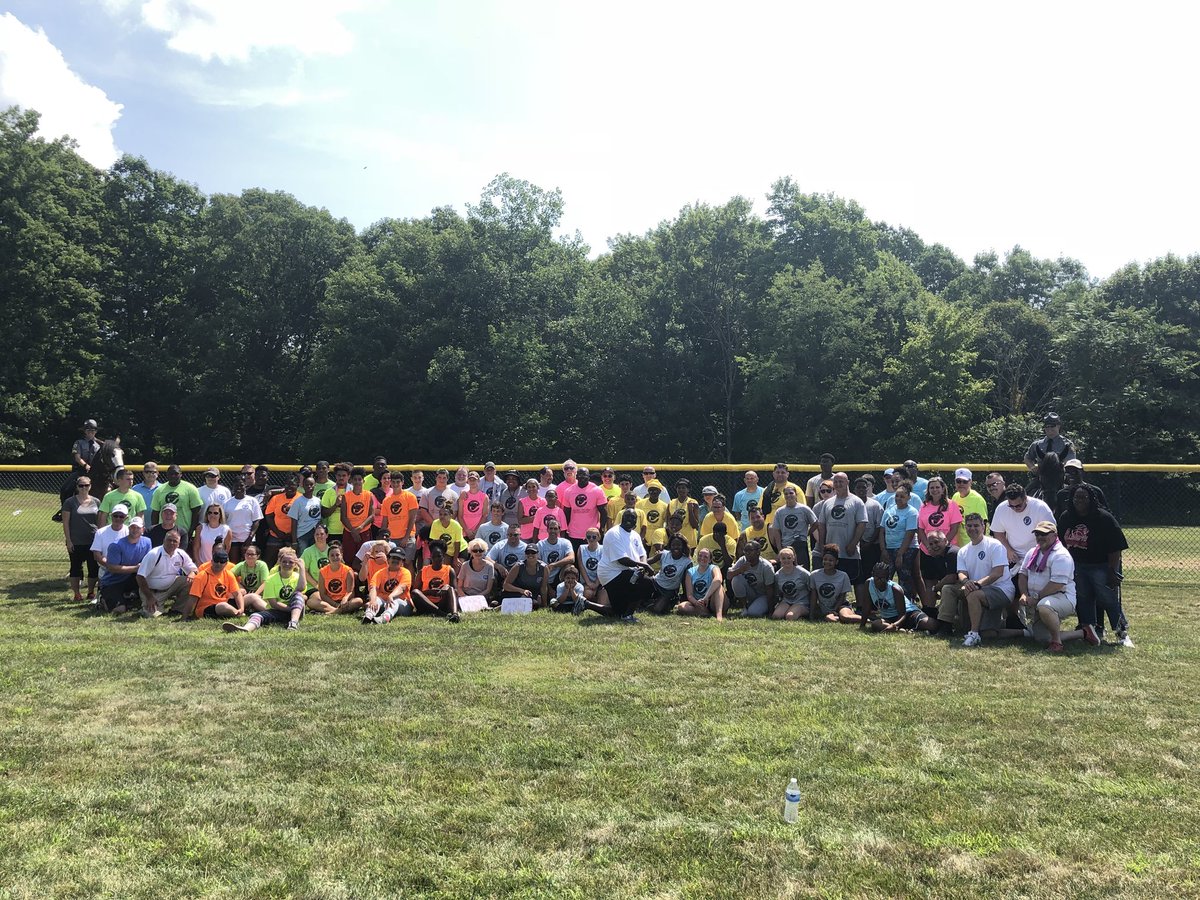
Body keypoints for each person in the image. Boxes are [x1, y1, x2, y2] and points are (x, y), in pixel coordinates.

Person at [1058, 484, 1132, 647]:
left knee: (1108, 599)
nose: (1079, 500)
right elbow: (1060, 544)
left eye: (1084, 497)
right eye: (1076, 497)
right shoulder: (1066, 517)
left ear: (1091, 499)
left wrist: (1112, 571)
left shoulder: (1103, 518)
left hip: (1101, 566)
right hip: (1077, 566)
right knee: (1083, 599)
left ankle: (1122, 633)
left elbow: (1115, 547)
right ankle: (1090, 631)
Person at [935, 513, 1015, 643]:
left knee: (974, 599)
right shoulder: (963, 550)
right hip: (975, 589)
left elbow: (998, 573)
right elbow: (961, 572)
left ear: (984, 526)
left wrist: (977, 584)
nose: (973, 528)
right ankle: (945, 626)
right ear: (965, 527)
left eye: (976, 525)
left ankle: (974, 633)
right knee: (948, 589)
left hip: (1000, 590)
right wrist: (966, 581)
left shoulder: (995, 545)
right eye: (969, 526)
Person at [1016, 521, 1087, 651]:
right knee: (1041, 638)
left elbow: (1057, 584)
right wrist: (1024, 594)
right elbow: (1023, 574)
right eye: (1037, 534)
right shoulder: (1032, 552)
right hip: (1039, 599)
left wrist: (1036, 598)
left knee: (1044, 606)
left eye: (1044, 534)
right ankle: (1083, 633)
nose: (1040, 537)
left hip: (1063, 597)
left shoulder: (1061, 555)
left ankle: (1057, 643)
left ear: (1054, 535)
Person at [595, 509, 656, 623]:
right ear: (622, 518)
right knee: (648, 583)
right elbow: (622, 560)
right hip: (612, 573)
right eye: (627, 516)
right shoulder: (614, 533)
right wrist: (644, 566)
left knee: (618, 611)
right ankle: (628, 616)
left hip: (627, 572)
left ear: (636, 522)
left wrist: (643, 565)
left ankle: (585, 603)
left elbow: (642, 554)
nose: (629, 520)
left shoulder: (635, 535)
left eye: (633, 518)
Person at [816, 473, 868, 604]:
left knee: (857, 579)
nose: (838, 484)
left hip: (849, 549)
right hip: (832, 550)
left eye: (841, 481)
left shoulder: (856, 502)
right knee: (834, 578)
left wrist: (853, 543)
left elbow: (862, 524)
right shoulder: (827, 503)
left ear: (847, 482)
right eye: (836, 482)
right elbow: (821, 525)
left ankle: (860, 606)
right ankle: (837, 605)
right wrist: (822, 544)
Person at [224, 549, 305, 632]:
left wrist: (302, 568)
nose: (287, 564)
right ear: (279, 562)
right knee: (257, 615)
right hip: (279, 610)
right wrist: (291, 609)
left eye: (291, 562)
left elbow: (301, 588)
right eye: (284, 561)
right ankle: (246, 629)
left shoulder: (298, 577)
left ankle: (293, 623)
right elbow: (273, 604)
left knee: (298, 595)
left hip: (297, 613)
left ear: (295, 565)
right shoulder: (270, 579)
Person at [135, 528, 196, 617]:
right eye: (169, 540)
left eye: (175, 541)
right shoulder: (154, 554)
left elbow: (194, 569)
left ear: (179, 544)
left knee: (192, 581)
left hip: (171, 586)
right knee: (152, 615)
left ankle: (178, 609)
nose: (172, 543)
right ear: (164, 541)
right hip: (151, 591)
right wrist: (149, 597)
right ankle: (147, 607)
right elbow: (140, 577)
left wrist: (192, 573)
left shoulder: (181, 554)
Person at [990, 483, 1055, 567]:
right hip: (1014, 557)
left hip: (1039, 555)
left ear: (1025, 498)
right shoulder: (1001, 508)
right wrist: (1008, 550)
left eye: (1018, 505)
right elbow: (998, 533)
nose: (1015, 509)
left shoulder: (1040, 507)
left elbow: (1051, 533)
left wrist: (1040, 553)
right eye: (1011, 506)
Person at [98, 517, 152, 614]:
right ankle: (102, 599)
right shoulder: (116, 545)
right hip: (113, 582)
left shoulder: (147, 542)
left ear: (143, 529)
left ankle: (127, 598)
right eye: (132, 527)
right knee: (119, 610)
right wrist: (136, 568)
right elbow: (112, 568)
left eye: (138, 528)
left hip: (133, 579)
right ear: (129, 528)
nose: (135, 530)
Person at [861, 562, 933, 633]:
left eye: (882, 578)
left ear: (888, 578)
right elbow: (866, 606)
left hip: (909, 613)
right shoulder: (869, 583)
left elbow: (902, 614)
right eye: (876, 577)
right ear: (873, 575)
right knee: (876, 624)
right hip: (889, 618)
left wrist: (894, 625)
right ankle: (903, 630)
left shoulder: (895, 589)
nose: (879, 581)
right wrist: (862, 626)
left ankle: (901, 629)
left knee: (930, 624)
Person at [178, 547, 245, 620]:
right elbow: (193, 598)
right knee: (223, 606)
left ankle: (255, 613)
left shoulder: (229, 574)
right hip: (206, 608)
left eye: (221, 562)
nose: (218, 564)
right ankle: (238, 614)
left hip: (225, 602)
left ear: (226, 563)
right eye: (216, 561)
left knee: (252, 597)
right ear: (212, 561)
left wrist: (241, 608)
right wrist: (184, 617)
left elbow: (237, 594)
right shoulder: (202, 576)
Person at [62, 474, 100, 603]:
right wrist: (69, 540)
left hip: (93, 540)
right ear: (77, 487)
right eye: (81, 485)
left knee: (93, 568)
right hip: (76, 540)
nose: (84, 488)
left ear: (90, 486)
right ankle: (77, 593)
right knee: (76, 567)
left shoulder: (96, 501)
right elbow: (66, 523)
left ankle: (90, 591)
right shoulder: (70, 502)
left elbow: (100, 521)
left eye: (86, 485)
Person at [878, 486, 918, 598]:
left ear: (908, 497)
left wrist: (900, 554)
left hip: (906, 549)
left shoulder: (912, 512)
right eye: (897, 495)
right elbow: (882, 531)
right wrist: (883, 550)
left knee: (905, 577)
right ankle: (886, 602)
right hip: (889, 548)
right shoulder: (889, 510)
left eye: (902, 496)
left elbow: (909, 534)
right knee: (885, 576)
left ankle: (907, 604)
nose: (898, 498)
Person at [809, 544, 861, 624]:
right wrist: (811, 614)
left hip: (841, 605)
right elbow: (814, 595)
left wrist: (834, 610)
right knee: (830, 619)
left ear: (836, 562)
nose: (827, 562)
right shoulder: (814, 575)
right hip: (824, 607)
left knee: (845, 617)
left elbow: (842, 596)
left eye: (830, 560)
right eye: (825, 559)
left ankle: (867, 620)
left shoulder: (843, 576)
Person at [912, 530, 959, 619]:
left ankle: (944, 624)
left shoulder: (952, 553)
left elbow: (952, 578)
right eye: (931, 544)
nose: (934, 546)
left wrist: (936, 588)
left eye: (936, 542)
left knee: (946, 588)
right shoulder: (938, 556)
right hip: (953, 587)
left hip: (965, 584)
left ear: (945, 541)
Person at [768, 486, 817, 570]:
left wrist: (807, 533)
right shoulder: (780, 512)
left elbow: (816, 523)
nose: (788, 495)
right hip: (786, 544)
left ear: (795, 494)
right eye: (786, 494)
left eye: (791, 493)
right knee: (787, 570)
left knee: (802, 569)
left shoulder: (804, 509)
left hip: (800, 544)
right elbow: (776, 530)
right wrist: (779, 547)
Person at [361, 547, 414, 624]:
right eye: (393, 558)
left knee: (395, 601)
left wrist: (391, 596)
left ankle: (384, 618)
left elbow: (402, 587)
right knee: (376, 599)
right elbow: (373, 588)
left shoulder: (406, 572)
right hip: (384, 603)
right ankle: (368, 616)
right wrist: (372, 600)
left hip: (403, 604)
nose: (395, 560)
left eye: (398, 559)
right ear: (388, 559)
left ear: (402, 562)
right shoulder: (380, 573)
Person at [306, 543, 361, 615]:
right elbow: (322, 594)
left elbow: (350, 592)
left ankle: (331, 611)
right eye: (332, 555)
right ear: (328, 557)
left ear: (341, 555)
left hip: (344, 601)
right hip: (329, 601)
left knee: (358, 601)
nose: (335, 557)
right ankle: (336, 611)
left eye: (337, 555)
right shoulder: (323, 571)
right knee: (310, 602)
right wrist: (335, 604)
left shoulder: (348, 570)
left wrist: (345, 598)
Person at [560, 467, 608, 548]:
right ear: (576, 476)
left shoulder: (597, 490)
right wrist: (565, 531)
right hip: (574, 534)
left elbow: (604, 512)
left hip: (591, 535)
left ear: (589, 477)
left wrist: (601, 529)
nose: (582, 477)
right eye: (580, 475)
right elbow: (566, 513)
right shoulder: (569, 491)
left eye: (585, 475)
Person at [412, 541, 460, 621]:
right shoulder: (423, 571)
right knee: (415, 592)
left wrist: (446, 588)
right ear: (430, 556)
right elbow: (415, 592)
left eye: (439, 556)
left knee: (450, 588)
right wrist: (429, 592)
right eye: (434, 556)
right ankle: (441, 614)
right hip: (426, 604)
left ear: (443, 556)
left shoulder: (449, 570)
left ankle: (455, 614)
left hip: (442, 602)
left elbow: (455, 591)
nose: (436, 559)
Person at [728, 540, 777, 618]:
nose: (747, 553)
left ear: (758, 552)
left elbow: (770, 590)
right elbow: (729, 576)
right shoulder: (742, 560)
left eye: (750, 551)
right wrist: (740, 570)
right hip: (751, 592)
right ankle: (744, 607)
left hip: (763, 595)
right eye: (745, 551)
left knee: (754, 613)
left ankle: (757, 607)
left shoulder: (766, 567)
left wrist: (771, 611)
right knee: (736, 579)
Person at [149, 465, 201, 538]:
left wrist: (191, 531)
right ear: (167, 475)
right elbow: (155, 513)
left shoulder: (191, 489)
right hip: (164, 533)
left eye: (176, 474)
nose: (173, 476)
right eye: (171, 474)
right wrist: (155, 531)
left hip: (184, 532)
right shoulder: (159, 491)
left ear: (181, 474)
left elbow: (196, 512)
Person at [380, 475, 419, 569]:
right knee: (393, 564)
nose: (395, 484)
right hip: (392, 538)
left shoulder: (410, 496)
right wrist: (383, 538)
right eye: (393, 482)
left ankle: (410, 584)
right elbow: (385, 522)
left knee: (407, 563)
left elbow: (412, 518)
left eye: (398, 482)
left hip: (408, 537)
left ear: (402, 482)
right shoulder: (386, 500)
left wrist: (406, 537)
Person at [222, 475, 263, 563]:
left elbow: (257, 520)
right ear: (233, 487)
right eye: (237, 486)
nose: (239, 488)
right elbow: (223, 522)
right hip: (232, 538)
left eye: (241, 485)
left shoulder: (252, 501)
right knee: (234, 563)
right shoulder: (227, 503)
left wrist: (250, 536)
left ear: (245, 485)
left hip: (247, 538)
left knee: (249, 562)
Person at [677, 547, 725, 620]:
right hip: (698, 603)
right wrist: (697, 603)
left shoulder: (714, 568)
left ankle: (719, 615)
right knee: (682, 606)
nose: (702, 558)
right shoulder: (690, 572)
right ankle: (704, 612)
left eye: (705, 557)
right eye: (700, 556)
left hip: (712, 601)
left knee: (719, 587)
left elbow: (718, 579)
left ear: (710, 560)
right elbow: (689, 595)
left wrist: (706, 598)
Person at [646, 534, 690, 614]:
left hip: (669, 590)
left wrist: (685, 597)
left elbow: (685, 582)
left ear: (683, 546)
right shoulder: (664, 554)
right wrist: (638, 563)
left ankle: (667, 601)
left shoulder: (687, 562)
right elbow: (647, 562)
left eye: (678, 545)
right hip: (656, 583)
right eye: (673, 545)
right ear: (670, 546)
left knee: (657, 610)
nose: (676, 547)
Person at [339, 468, 375, 563]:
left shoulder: (369, 495)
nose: (357, 482)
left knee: (364, 559)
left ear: (363, 481)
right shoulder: (346, 496)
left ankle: (363, 578)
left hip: (364, 531)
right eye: (355, 479)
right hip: (349, 531)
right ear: (351, 481)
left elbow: (371, 515)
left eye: (360, 479)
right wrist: (353, 531)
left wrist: (360, 528)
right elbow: (343, 517)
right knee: (349, 558)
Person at [918, 476, 963, 551]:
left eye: (937, 487)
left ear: (943, 489)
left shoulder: (952, 505)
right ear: (928, 490)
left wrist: (943, 546)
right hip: (927, 550)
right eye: (932, 488)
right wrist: (928, 547)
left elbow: (954, 529)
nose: (935, 489)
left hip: (947, 548)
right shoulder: (923, 507)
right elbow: (921, 530)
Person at [853, 476, 884, 581]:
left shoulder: (875, 505)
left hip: (872, 545)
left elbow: (879, 526)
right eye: (859, 488)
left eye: (864, 487)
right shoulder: (851, 504)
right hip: (854, 545)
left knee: (871, 573)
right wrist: (858, 541)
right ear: (854, 489)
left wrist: (869, 543)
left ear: (868, 489)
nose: (861, 490)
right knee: (858, 574)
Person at [261, 476, 298, 566]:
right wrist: (278, 532)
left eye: (292, 485)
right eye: (287, 485)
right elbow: (268, 516)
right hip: (276, 535)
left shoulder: (300, 498)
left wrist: (292, 537)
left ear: (297, 485)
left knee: (292, 562)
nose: (289, 487)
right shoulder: (276, 498)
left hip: (293, 537)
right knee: (268, 561)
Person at [770, 548, 812, 620]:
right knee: (776, 616)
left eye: (789, 558)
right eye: (783, 558)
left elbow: (811, 588)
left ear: (793, 558)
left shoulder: (803, 573)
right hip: (787, 601)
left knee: (790, 617)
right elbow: (778, 592)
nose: (786, 560)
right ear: (780, 559)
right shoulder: (777, 575)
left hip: (801, 601)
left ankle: (803, 614)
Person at [950, 468, 988, 547]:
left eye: (965, 481)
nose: (961, 484)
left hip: (973, 544)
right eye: (958, 481)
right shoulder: (955, 496)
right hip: (958, 544)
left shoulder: (978, 499)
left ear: (970, 482)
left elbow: (983, 524)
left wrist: (980, 545)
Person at [537, 517, 575, 591]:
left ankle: (568, 592)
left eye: (555, 529)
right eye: (551, 528)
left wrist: (555, 564)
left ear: (559, 530)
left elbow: (571, 558)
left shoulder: (565, 542)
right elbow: (537, 565)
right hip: (544, 576)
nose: (553, 531)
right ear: (547, 530)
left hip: (559, 576)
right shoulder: (540, 545)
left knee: (570, 566)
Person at [90, 503, 129, 574]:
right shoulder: (100, 532)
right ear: (111, 516)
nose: (118, 518)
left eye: (121, 516)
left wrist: (120, 569)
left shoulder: (129, 532)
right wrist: (111, 567)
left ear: (126, 518)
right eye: (115, 516)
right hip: (105, 570)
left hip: (125, 571)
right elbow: (97, 555)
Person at [287, 476, 324, 554]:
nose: (309, 486)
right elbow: (294, 522)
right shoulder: (298, 501)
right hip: (302, 535)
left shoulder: (318, 500)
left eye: (311, 484)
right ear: (303, 486)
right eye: (306, 484)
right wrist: (294, 541)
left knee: (315, 555)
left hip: (315, 534)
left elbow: (319, 518)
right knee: (303, 558)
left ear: (315, 485)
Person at [459, 539, 498, 607]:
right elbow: (459, 586)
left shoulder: (489, 566)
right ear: (471, 552)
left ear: (484, 551)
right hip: (466, 596)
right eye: (475, 551)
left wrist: (475, 598)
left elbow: (488, 589)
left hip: (482, 597)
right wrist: (466, 598)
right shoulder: (465, 565)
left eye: (481, 550)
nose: (478, 552)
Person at [667, 479, 701, 548]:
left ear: (688, 490)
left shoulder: (693, 502)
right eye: (679, 488)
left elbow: (695, 525)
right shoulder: (671, 503)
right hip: (675, 540)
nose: (681, 490)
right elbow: (668, 522)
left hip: (689, 541)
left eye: (683, 488)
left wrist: (690, 510)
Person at [457, 471, 490, 540]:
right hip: (465, 532)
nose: (472, 482)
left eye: (474, 480)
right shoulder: (463, 496)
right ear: (467, 481)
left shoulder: (484, 497)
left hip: (478, 532)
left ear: (478, 481)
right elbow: (460, 515)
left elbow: (484, 515)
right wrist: (467, 530)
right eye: (470, 480)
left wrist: (476, 530)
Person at [518, 478, 546, 542]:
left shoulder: (543, 501)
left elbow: (544, 518)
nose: (531, 489)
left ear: (537, 488)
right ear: (526, 489)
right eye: (529, 487)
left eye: (533, 486)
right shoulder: (522, 501)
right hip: (525, 535)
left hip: (539, 534)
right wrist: (537, 517)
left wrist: (527, 518)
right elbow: (520, 520)